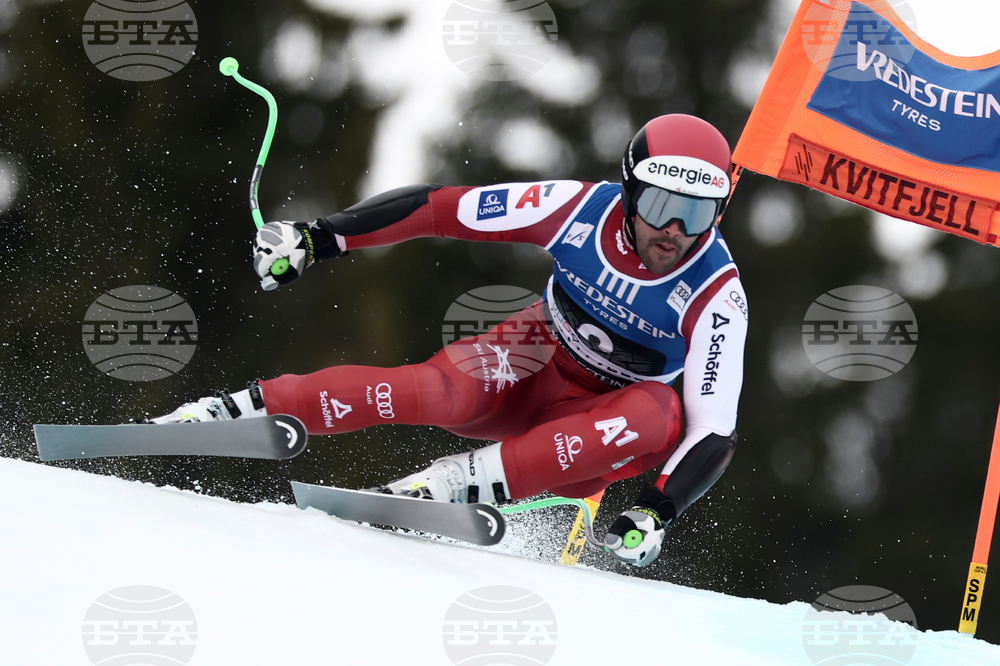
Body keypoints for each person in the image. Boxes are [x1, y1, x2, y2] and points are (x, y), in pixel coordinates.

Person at [152, 114, 748, 567]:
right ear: (627, 191)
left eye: (697, 214)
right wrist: (318, 237)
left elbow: (713, 429)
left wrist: (658, 510)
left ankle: (454, 483)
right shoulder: (577, 209)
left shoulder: (717, 292)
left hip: (594, 432)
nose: (674, 230)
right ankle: (239, 410)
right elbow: (442, 209)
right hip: (535, 357)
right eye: (661, 204)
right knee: (439, 391)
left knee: (664, 412)